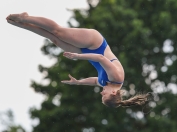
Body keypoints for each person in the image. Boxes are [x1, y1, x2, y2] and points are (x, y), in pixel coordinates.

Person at [6, 12, 150, 108]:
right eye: (103, 95)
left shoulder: (106, 84)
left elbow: (94, 81)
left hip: (87, 51)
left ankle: (23, 25)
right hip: (95, 43)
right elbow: (100, 58)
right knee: (58, 32)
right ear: (113, 93)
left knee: (54, 39)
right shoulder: (117, 77)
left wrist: (78, 82)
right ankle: (25, 18)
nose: (101, 93)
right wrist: (78, 57)